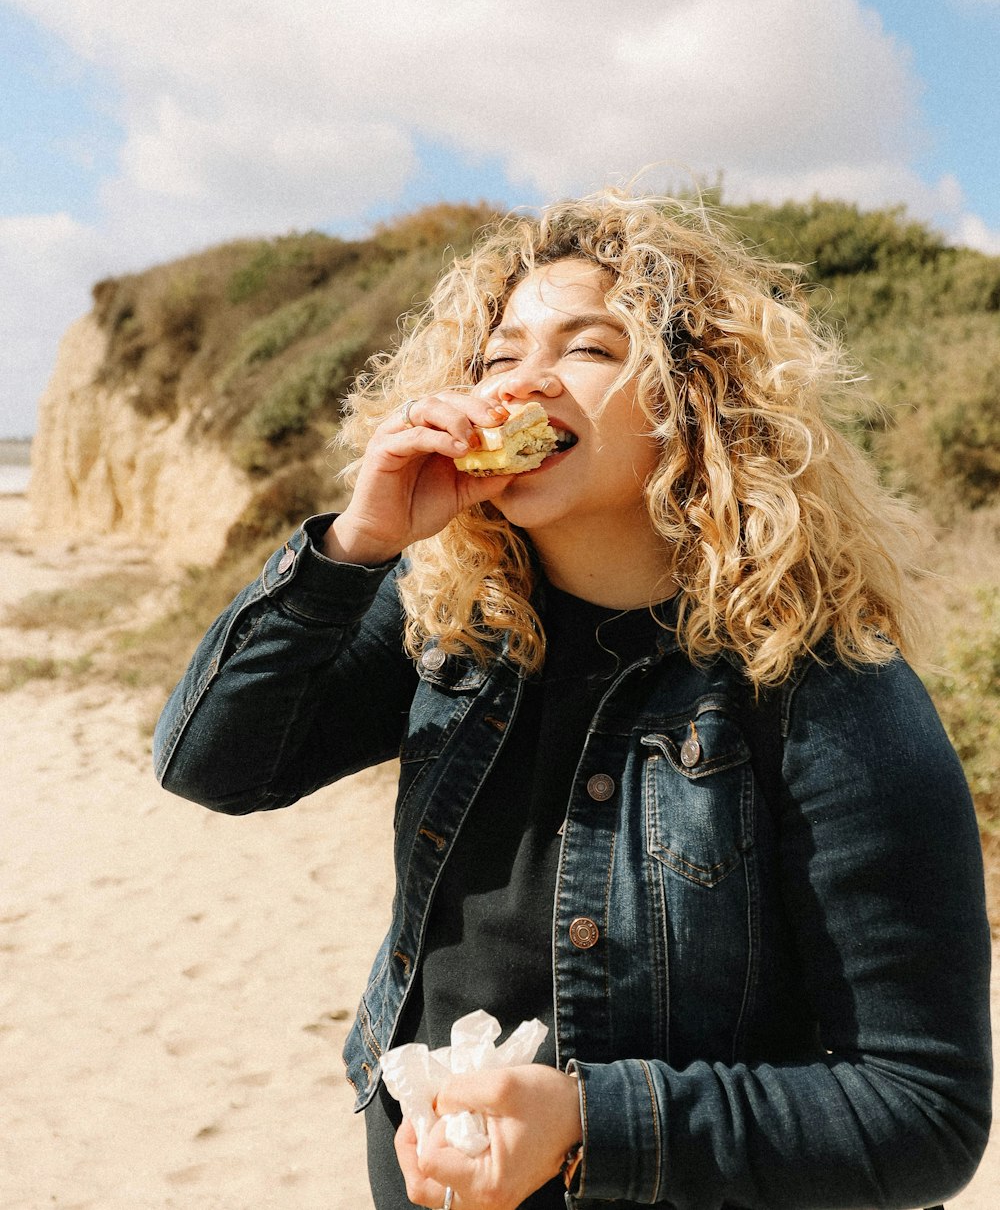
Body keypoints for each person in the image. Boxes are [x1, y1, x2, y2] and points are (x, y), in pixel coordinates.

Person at [154, 190, 991, 1210]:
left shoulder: (824, 692)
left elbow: (920, 1111)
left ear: (696, 400)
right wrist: (350, 550)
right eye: (499, 357)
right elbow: (212, 768)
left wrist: (589, 1123)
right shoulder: (446, 626)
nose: (523, 384)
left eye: (589, 351)